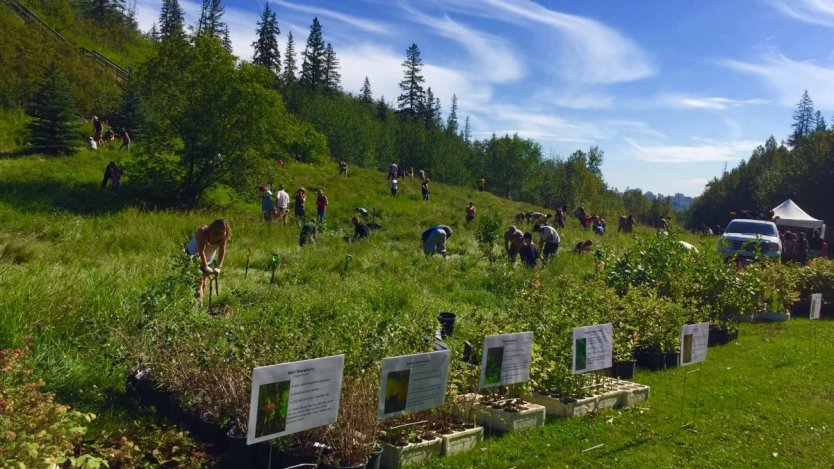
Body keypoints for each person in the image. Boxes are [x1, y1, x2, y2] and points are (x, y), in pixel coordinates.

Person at [185, 219, 231, 302]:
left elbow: (222, 251)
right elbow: (201, 251)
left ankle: (199, 304)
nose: (220, 236)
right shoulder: (202, 232)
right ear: (212, 230)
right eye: (217, 234)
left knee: (203, 284)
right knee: (198, 284)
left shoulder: (224, 235)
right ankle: (196, 306)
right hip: (193, 256)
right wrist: (205, 266)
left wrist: (219, 267)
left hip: (208, 259)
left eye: (222, 234)